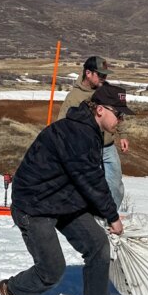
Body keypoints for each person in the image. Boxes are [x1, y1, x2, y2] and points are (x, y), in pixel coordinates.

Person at [0, 84, 136, 295]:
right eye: (119, 114)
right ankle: (14, 290)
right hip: (34, 206)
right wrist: (111, 216)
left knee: (97, 245)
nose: (121, 120)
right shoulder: (77, 133)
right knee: (51, 270)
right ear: (100, 110)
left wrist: (99, 213)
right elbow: (91, 180)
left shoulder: (90, 130)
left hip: (62, 201)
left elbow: (82, 180)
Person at [56, 56, 129, 211]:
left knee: (115, 186)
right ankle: (89, 217)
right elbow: (62, 124)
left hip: (107, 147)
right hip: (86, 150)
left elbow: (118, 112)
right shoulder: (74, 97)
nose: (104, 78)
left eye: (105, 75)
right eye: (100, 75)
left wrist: (123, 135)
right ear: (88, 73)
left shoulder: (107, 90)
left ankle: (110, 216)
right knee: (88, 186)